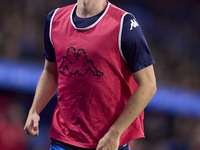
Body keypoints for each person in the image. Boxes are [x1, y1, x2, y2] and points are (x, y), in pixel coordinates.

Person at [24, 0, 157, 150]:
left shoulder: (124, 24)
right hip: (63, 139)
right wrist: (35, 110)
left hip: (107, 143)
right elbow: (50, 71)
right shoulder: (54, 19)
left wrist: (115, 132)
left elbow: (149, 85)